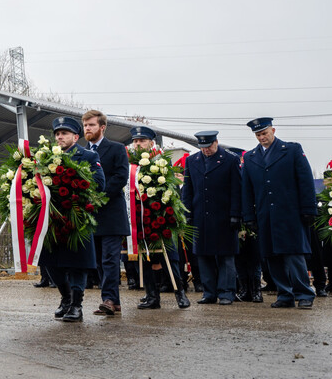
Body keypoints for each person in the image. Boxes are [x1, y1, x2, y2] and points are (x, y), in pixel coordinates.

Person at [36, 118, 106, 322]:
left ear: (76, 137)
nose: (59, 137)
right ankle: (66, 298)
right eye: (57, 133)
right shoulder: (46, 157)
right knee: (50, 263)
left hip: (77, 218)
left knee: (77, 264)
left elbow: (100, 184)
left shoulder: (89, 156)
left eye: (65, 133)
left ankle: (77, 305)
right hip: (52, 219)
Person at [241, 117, 316, 308]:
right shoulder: (250, 158)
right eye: (258, 134)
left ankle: (304, 294)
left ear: (273, 131)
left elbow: (305, 181)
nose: (261, 137)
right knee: (272, 256)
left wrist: (308, 209)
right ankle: (285, 294)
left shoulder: (291, 150)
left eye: (264, 133)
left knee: (294, 255)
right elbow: (247, 190)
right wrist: (249, 216)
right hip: (266, 215)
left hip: (290, 213)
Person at [128, 127, 190, 310]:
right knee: (145, 256)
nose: (138, 144)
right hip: (140, 216)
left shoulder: (162, 162)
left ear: (151, 143)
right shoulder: (130, 165)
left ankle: (180, 293)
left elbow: (172, 189)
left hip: (161, 216)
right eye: (136, 141)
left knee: (170, 257)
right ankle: (152, 296)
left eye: (142, 141)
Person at [182, 132, 242, 305]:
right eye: (202, 147)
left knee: (226, 256)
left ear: (216, 142)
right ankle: (209, 292)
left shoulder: (230, 160)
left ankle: (226, 292)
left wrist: (236, 214)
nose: (206, 150)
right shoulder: (192, 161)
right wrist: (187, 213)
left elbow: (237, 190)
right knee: (203, 255)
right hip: (201, 216)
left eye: (209, 146)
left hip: (224, 216)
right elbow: (188, 190)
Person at [81, 110, 130, 317]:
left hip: (111, 214)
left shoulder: (117, 149)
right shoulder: (80, 152)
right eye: (85, 126)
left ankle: (108, 299)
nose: (87, 129)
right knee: (99, 261)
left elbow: (121, 177)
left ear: (102, 127)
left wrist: (97, 195)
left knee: (110, 259)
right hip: (91, 217)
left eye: (91, 125)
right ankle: (113, 301)